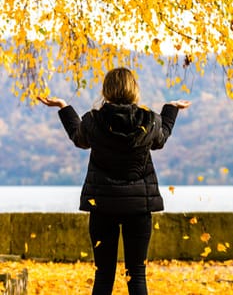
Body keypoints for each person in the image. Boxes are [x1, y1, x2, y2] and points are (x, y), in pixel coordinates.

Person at [38, 67, 191, 295]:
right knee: (137, 274)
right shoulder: (149, 121)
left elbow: (78, 137)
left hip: (102, 207)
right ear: (134, 90)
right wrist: (170, 109)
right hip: (139, 208)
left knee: (103, 275)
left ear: (106, 90)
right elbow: (162, 138)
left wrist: (64, 107)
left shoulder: (93, 120)